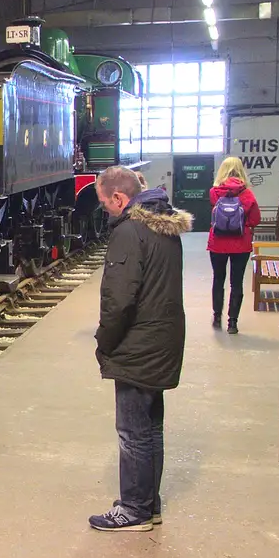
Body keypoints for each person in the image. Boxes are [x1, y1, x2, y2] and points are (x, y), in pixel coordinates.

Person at [89, 166, 191, 532]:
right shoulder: (162, 226)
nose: (105, 211)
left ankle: (134, 509)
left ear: (119, 198)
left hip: (138, 344)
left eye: (105, 204)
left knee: (132, 432)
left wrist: (104, 342)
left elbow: (119, 301)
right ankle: (149, 504)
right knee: (150, 430)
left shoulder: (129, 232)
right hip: (161, 340)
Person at [206, 156, 261, 334]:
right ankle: (233, 322)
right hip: (241, 244)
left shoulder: (214, 192)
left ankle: (216, 316)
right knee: (236, 282)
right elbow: (255, 220)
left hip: (218, 243)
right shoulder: (247, 194)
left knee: (218, 279)